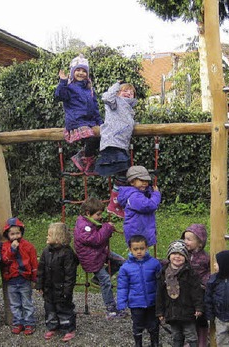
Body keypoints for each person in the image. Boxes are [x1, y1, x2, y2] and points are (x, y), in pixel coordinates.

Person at [73, 198, 126, 319]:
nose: (100, 216)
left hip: (99, 253)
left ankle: (97, 279)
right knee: (106, 281)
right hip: (92, 259)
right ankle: (111, 308)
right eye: (98, 214)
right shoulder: (83, 226)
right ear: (88, 213)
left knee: (121, 262)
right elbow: (96, 239)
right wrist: (107, 228)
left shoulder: (90, 222)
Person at [55, 53, 103, 174]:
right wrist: (62, 82)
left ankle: (83, 157)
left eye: (84, 71)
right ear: (73, 72)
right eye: (78, 70)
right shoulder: (69, 87)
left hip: (89, 122)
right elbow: (59, 96)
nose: (81, 73)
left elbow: (95, 108)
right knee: (92, 139)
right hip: (76, 122)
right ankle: (85, 159)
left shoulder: (89, 90)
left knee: (102, 137)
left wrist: (100, 123)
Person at [96, 81, 138, 217]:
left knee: (124, 175)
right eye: (125, 91)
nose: (128, 93)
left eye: (131, 93)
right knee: (124, 173)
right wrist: (116, 85)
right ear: (118, 93)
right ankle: (114, 204)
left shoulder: (129, 111)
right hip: (112, 142)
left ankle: (115, 203)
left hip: (121, 145)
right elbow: (106, 97)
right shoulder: (115, 103)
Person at [156, 240, 204, 347]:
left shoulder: (190, 273)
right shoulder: (163, 273)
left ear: (186, 257)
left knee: (191, 334)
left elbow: (197, 292)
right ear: (169, 256)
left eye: (181, 254)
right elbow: (160, 295)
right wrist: (160, 312)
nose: (177, 256)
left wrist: (199, 307)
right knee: (176, 335)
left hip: (188, 310)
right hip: (171, 310)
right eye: (174, 254)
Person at [116, 235, 162, 347]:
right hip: (136, 303)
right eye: (136, 249)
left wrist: (161, 300)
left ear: (146, 248)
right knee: (137, 325)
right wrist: (121, 303)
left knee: (154, 324)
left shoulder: (154, 263)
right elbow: (122, 287)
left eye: (141, 248)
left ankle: (155, 343)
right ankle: (138, 343)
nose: (139, 251)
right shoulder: (126, 268)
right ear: (130, 249)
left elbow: (160, 283)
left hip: (152, 301)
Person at [37, 222, 79, 342]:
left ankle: (68, 328)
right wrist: (39, 283)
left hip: (61, 288)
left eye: (49, 235)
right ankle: (52, 326)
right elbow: (41, 268)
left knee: (64, 309)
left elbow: (70, 275)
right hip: (48, 287)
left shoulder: (67, 253)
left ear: (58, 237)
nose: (47, 237)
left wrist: (67, 290)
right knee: (49, 308)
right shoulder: (46, 251)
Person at [1, 217, 38, 335]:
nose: (15, 236)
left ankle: (29, 323)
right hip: (11, 279)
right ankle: (18, 322)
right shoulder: (6, 246)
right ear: (8, 235)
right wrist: (12, 249)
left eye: (18, 233)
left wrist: (35, 278)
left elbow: (33, 263)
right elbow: (5, 260)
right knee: (15, 304)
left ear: (21, 232)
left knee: (27, 303)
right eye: (12, 234)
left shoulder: (28, 246)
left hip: (24, 278)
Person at [181, 224, 210, 346]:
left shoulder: (204, 257)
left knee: (201, 317)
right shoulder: (183, 254)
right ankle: (190, 340)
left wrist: (204, 282)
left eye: (189, 239)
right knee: (188, 317)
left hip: (200, 291)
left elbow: (210, 271)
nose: (185, 241)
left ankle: (202, 341)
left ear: (199, 243)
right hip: (186, 291)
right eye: (184, 238)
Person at [118, 165, 161, 247]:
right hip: (136, 232)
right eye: (141, 180)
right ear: (132, 182)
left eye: (147, 181)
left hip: (139, 229)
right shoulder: (134, 196)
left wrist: (150, 191)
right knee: (137, 253)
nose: (145, 183)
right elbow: (149, 206)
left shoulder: (138, 194)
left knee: (142, 253)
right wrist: (156, 194)